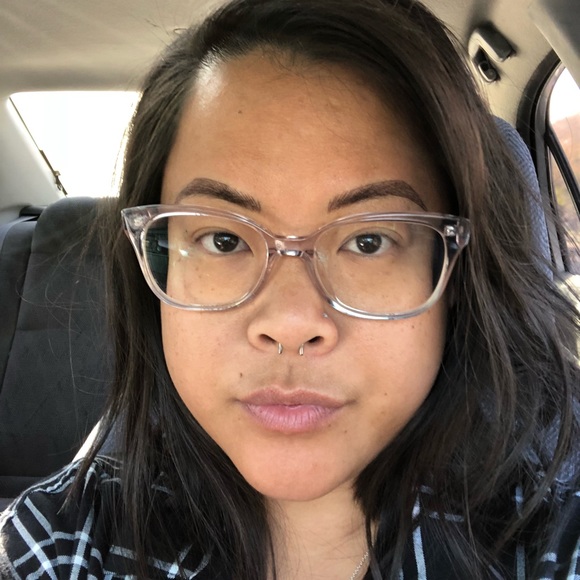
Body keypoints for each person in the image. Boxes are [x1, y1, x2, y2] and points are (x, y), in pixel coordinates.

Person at [1, 0, 579, 578]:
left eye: (369, 241)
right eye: (224, 240)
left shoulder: (549, 543)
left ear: (453, 273)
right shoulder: (63, 541)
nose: (292, 322)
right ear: (157, 267)